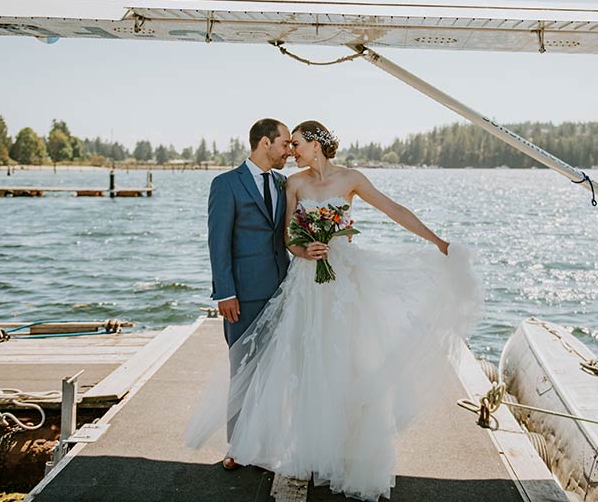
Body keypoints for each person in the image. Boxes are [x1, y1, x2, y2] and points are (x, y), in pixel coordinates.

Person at [187, 120, 482, 501]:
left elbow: (394, 209)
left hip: (346, 279)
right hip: (307, 283)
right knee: (303, 364)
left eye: (296, 144)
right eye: (287, 144)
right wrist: (303, 250)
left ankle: (346, 449)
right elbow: (287, 236)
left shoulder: (350, 178)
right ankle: (278, 445)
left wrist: (439, 242)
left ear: (316, 144)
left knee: (349, 361)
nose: (291, 151)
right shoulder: (292, 183)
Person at [205, 118, 292, 470]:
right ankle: (237, 447)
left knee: (275, 370)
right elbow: (218, 241)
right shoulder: (226, 184)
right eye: (284, 143)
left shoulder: (286, 183)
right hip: (243, 294)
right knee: (242, 370)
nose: (289, 150)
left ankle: (270, 442)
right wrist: (225, 292)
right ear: (264, 143)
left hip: (285, 290)